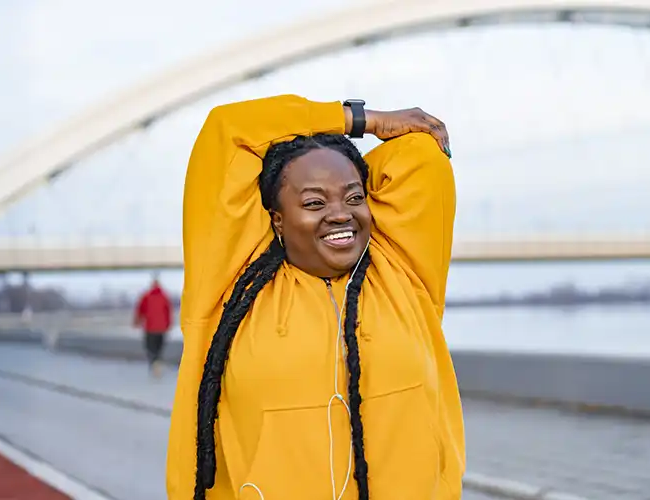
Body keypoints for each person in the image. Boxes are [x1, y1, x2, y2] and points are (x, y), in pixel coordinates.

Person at [166, 94, 465, 499]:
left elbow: (420, 155)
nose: (340, 214)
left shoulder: (402, 271)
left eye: (355, 197)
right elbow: (229, 130)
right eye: (314, 202)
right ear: (276, 218)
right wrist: (364, 121)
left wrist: (337, 159)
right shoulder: (230, 287)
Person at [134, 275, 173, 376]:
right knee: (159, 347)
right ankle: (157, 362)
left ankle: (154, 362)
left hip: (150, 328)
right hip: (161, 328)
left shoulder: (146, 296)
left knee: (150, 347)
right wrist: (168, 324)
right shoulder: (164, 297)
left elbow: (140, 310)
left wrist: (137, 322)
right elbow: (168, 311)